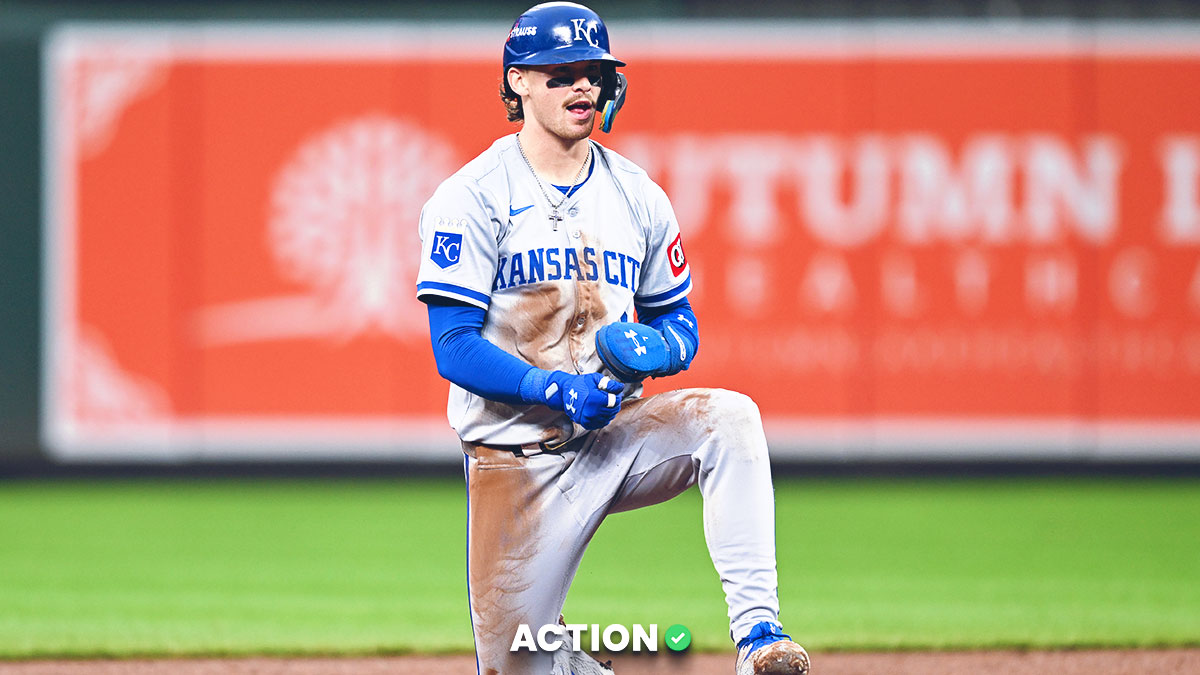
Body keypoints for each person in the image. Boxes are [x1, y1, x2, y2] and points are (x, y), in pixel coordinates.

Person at [415, 3, 810, 673]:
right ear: (518, 82)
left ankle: (759, 636)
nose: (583, 88)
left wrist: (661, 350)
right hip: (515, 462)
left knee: (730, 419)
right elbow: (451, 344)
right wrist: (554, 387)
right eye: (562, 73)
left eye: (593, 73)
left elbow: (677, 321)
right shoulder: (471, 195)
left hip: (613, 436)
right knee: (521, 662)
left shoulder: (638, 194)